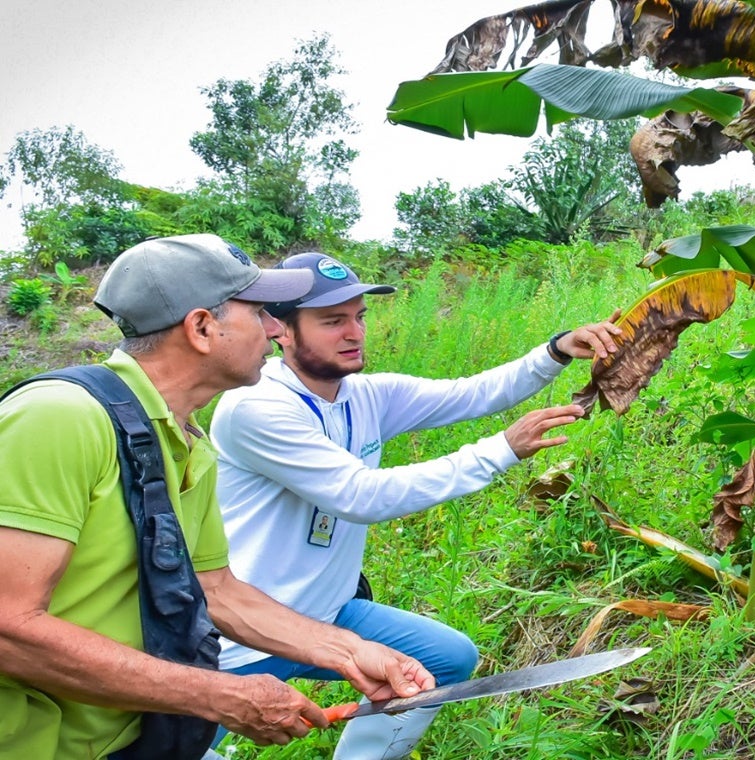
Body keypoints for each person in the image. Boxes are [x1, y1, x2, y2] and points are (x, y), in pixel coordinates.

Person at [0, 234, 436, 760]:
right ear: (203, 328)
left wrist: (351, 652)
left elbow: (217, 591)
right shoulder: (62, 417)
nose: (277, 331)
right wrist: (220, 695)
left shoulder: (182, 439)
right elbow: (8, 627)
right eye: (260, 314)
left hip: (141, 733)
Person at [209, 251, 620, 759]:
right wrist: (501, 450)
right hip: (243, 634)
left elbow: (472, 394)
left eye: (359, 317)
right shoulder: (258, 407)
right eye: (332, 321)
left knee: (446, 660)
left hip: (330, 613)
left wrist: (556, 351)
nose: (354, 333)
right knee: (176, 746)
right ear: (282, 330)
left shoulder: (364, 396)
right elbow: (359, 495)